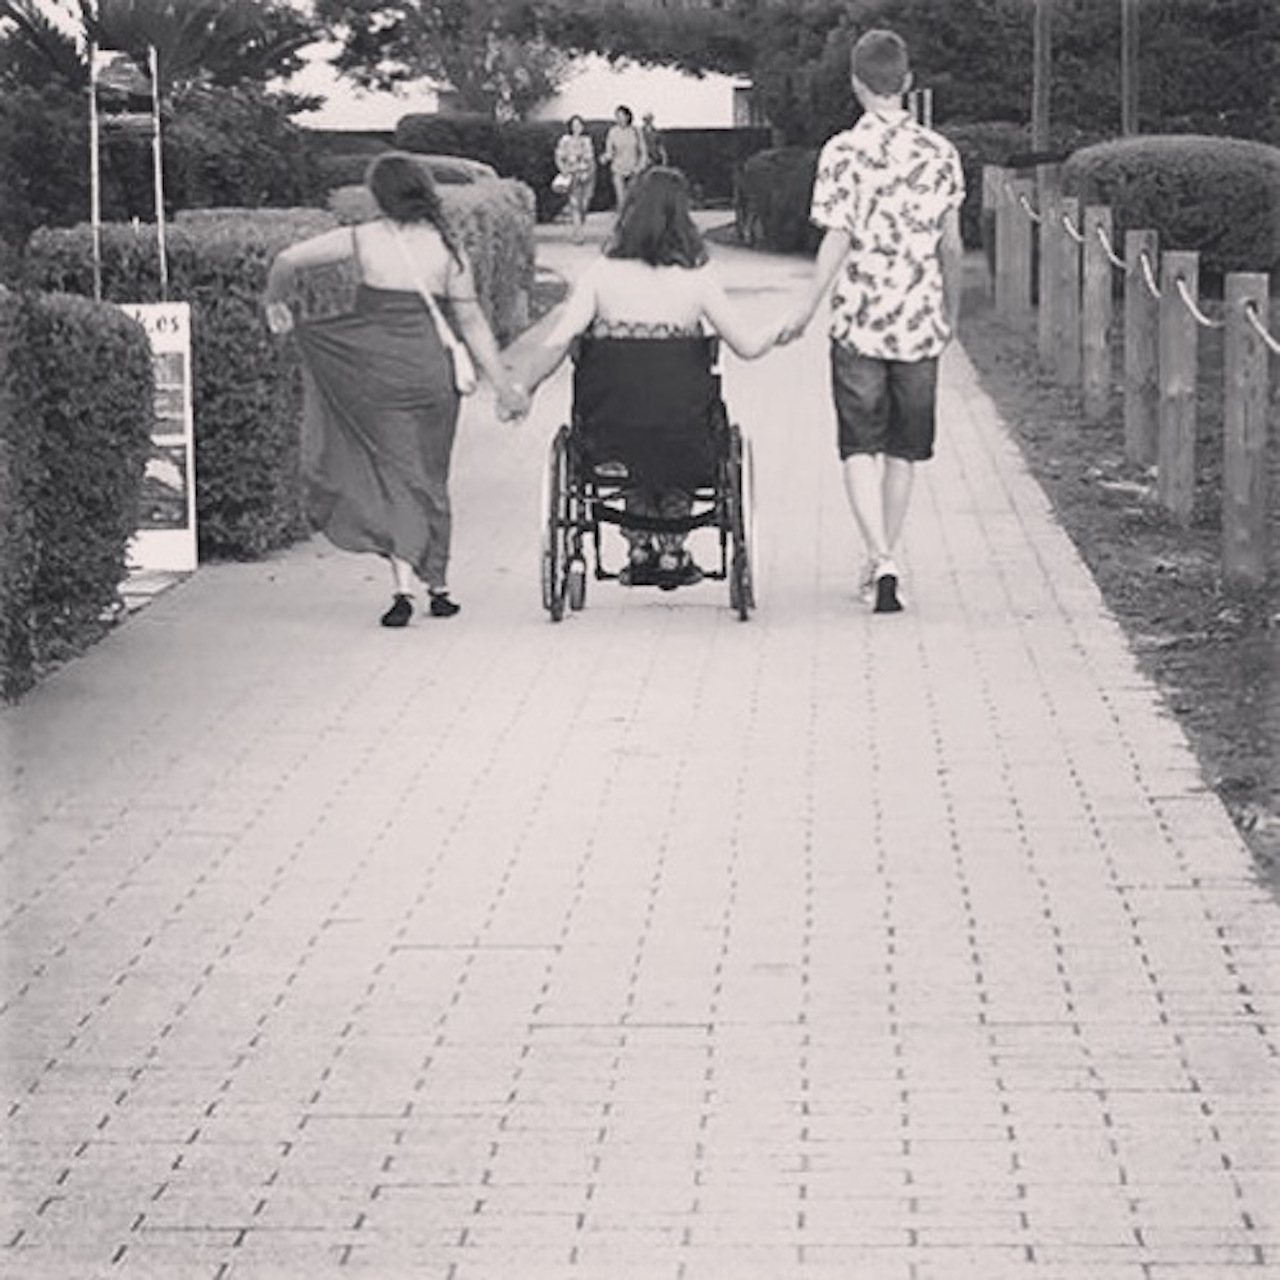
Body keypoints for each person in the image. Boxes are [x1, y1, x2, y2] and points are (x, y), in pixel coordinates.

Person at [264, 152, 529, 628]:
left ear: (380, 196)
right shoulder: (451, 249)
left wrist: (276, 303)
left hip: (373, 372)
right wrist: (504, 386)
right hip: (431, 374)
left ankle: (403, 589)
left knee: (394, 473)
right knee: (430, 473)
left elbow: (286, 261)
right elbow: (472, 323)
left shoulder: (362, 239)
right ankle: (440, 585)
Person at [512, 167, 778, 587]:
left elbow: (559, 341)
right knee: (676, 435)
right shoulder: (698, 277)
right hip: (684, 433)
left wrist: (522, 387)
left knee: (632, 438)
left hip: (610, 432)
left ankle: (638, 545)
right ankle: (672, 551)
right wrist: (782, 329)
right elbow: (746, 346)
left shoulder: (601, 275)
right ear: (683, 216)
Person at [778, 28, 963, 613]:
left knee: (859, 442)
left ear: (856, 83)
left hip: (858, 318)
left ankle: (879, 555)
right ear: (906, 82)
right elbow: (952, 246)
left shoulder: (840, 153)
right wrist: (950, 312)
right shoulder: (940, 154)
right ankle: (887, 554)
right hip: (919, 319)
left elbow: (837, 237)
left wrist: (808, 305)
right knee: (903, 449)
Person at [554, 115, 597, 244]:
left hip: (585, 175)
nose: (576, 128)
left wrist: (587, 172)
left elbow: (590, 160)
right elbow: (559, 157)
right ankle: (578, 234)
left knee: (583, 204)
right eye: (574, 125)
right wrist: (563, 170)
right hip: (571, 175)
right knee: (574, 204)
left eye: (578, 125)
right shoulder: (565, 141)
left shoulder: (586, 141)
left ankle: (579, 228)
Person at [601, 105, 648, 213]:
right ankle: (622, 224)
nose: (619, 119)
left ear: (628, 117)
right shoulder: (613, 132)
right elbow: (610, 151)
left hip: (634, 170)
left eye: (621, 116)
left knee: (633, 200)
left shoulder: (636, 131)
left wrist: (640, 166)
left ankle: (633, 224)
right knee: (621, 200)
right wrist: (605, 157)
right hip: (618, 169)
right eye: (617, 116)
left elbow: (643, 151)